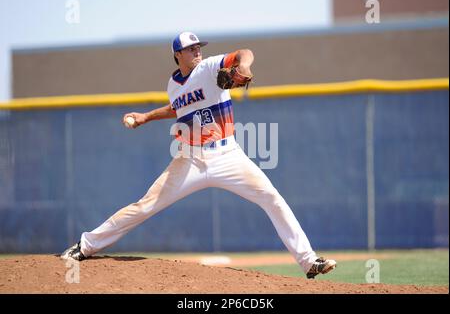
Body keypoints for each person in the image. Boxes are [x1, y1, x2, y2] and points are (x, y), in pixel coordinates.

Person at [61, 31, 337, 279]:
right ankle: (85, 245)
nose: (197, 51)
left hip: (228, 155)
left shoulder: (208, 67)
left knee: (272, 197)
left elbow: (244, 53)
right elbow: (176, 108)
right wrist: (146, 116)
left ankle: (308, 261)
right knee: (145, 206)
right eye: (191, 49)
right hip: (189, 159)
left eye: (198, 47)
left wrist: (242, 66)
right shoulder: (173, 84)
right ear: (177, 55)